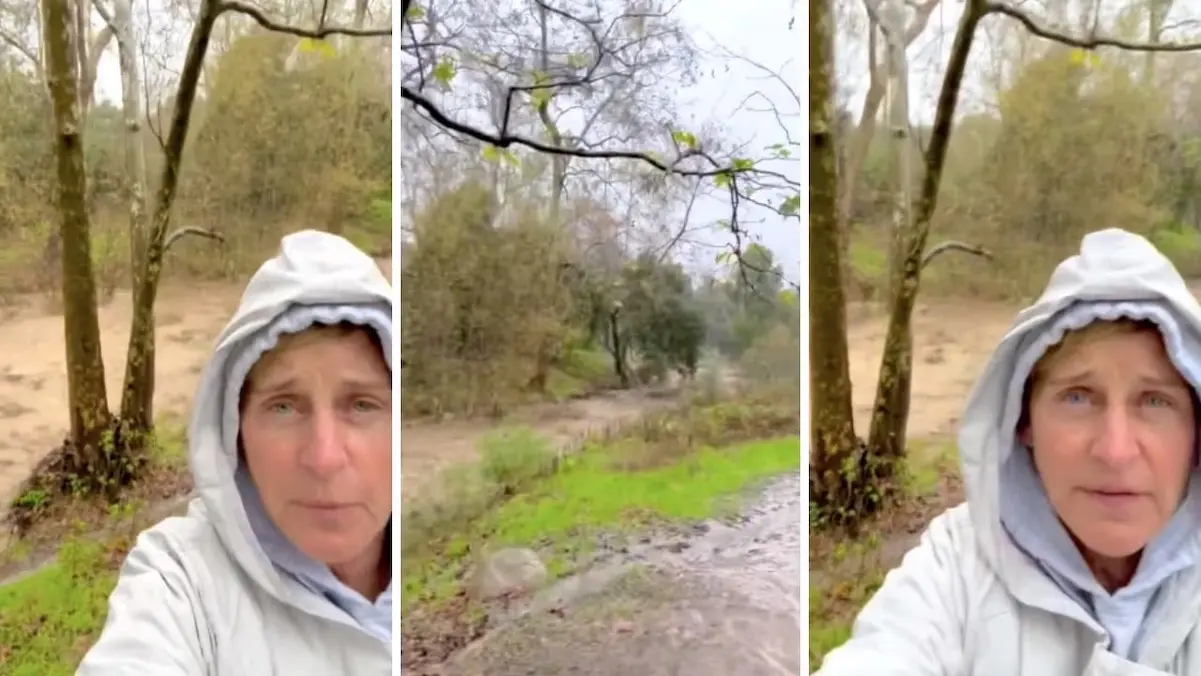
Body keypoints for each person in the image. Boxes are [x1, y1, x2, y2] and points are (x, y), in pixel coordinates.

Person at [815, 228, 1201, 675]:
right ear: (1023, 420)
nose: (1115, 451)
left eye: (1155, 401)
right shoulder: (955, 570)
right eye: (1077, 396)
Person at [77, 230, 393, 674]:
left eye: (362, 405)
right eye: (283, 407)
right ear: (235, 430)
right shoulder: (181, 582)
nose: (324, 458)